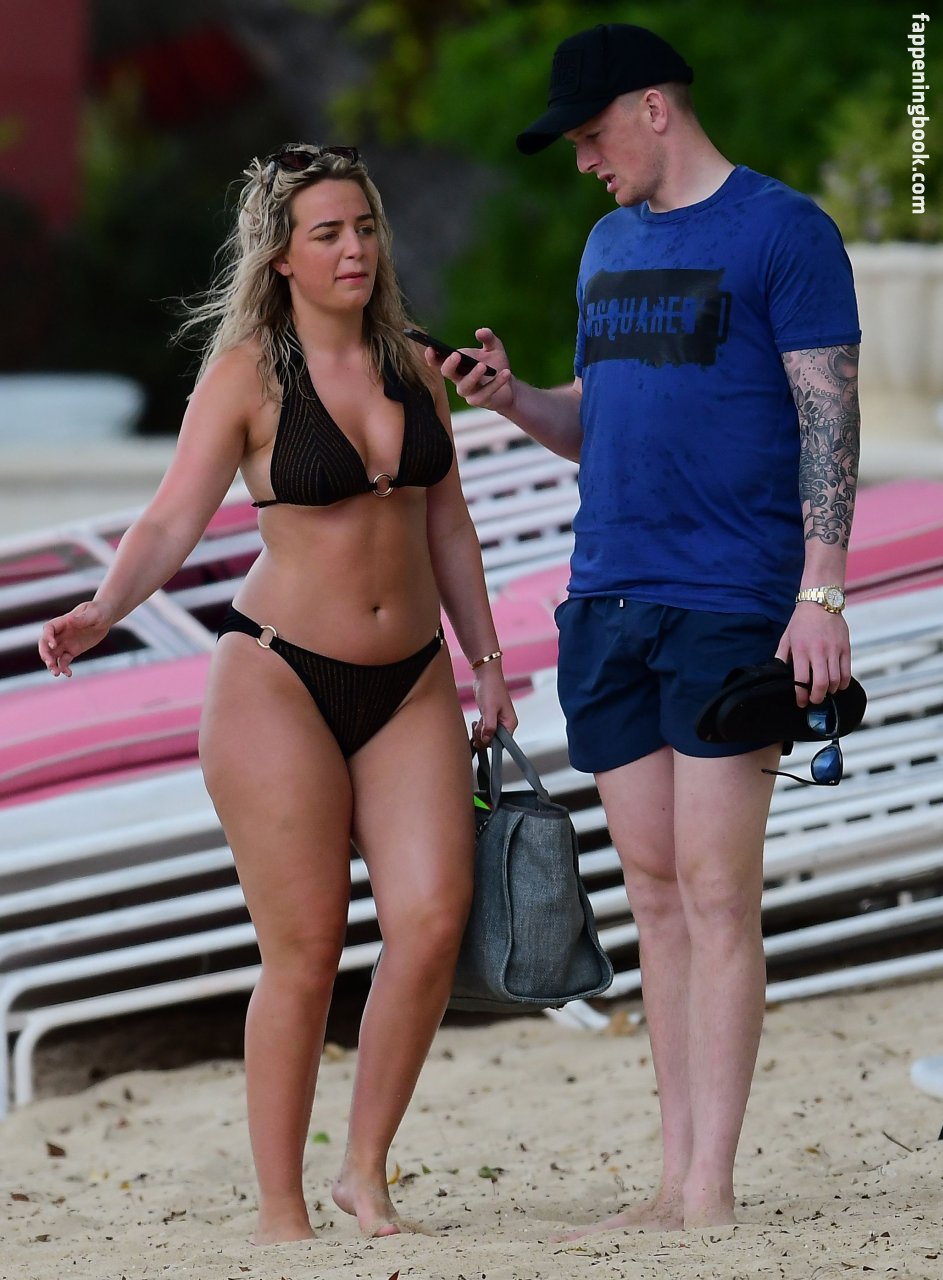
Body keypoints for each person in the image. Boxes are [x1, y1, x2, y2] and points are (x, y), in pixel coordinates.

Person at [38, 143, 516, 1245]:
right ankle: (280, 1209)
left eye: (366, 227)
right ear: (282, 256)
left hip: (412, 679)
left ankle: (363, 1172)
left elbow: (446, 521)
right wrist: (103, 609)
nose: (355, 249)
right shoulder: (249, 374)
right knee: (302, 950)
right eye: (327, 233)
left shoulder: (412, 360)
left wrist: (487, 663)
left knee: (431, 920)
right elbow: (172, 515)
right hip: (277, 675)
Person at [428, 24, 861, 1234]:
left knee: (718, 892)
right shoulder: (605, 244)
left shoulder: (786, 231)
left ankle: (710, 1187)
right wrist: (517, 399)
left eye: (589, 134)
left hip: (731, 604)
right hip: (606, 602)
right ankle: (672, 1179)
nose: (582, 160)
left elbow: (828, 420)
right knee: (656, 895)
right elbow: (598, 422)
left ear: (653, 107)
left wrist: (821, 592)